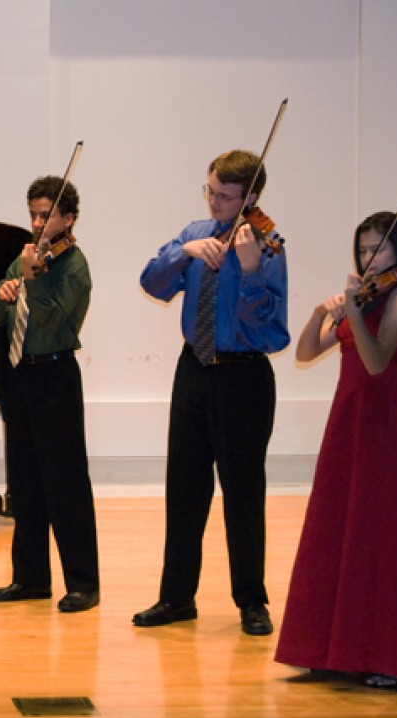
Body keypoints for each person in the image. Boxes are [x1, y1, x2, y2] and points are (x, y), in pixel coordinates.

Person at [135, 149, 289, 636]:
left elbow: (268, 328)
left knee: (243, 492)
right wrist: (184, 253)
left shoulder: (267, 248)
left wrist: (246, 271)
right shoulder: (195, 233)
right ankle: (176, 597)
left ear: (252, 198)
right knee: (184, 489)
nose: (216, 202)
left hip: (243, 376)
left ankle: (252, 601)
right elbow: (152, 283)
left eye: (226, 196)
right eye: (212, 192)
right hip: (194, 370)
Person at [275, 212, 397, 690]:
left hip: (383, 423)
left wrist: (356, 316)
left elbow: (378, 362)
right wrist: (323, 313)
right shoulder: (366, 296)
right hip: (347, 419)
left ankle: (391, 658)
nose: (369, 258)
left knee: (381, 534)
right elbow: (304, 354)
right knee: (335, 528)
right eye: (362, 250)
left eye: (378, 249)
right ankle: (331, 651)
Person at [0, 176, 100, 611]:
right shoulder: (25, 258)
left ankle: (84, 583)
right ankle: (30, 578)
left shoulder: (73, 266)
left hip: (55, 376)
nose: (35, 222)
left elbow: (53, 322)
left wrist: (30, 283)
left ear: (68, 219)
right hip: (20, 376)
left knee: (65, 483)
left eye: (45, 215)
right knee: (25, 482)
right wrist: (2, 292)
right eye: (32, 213)